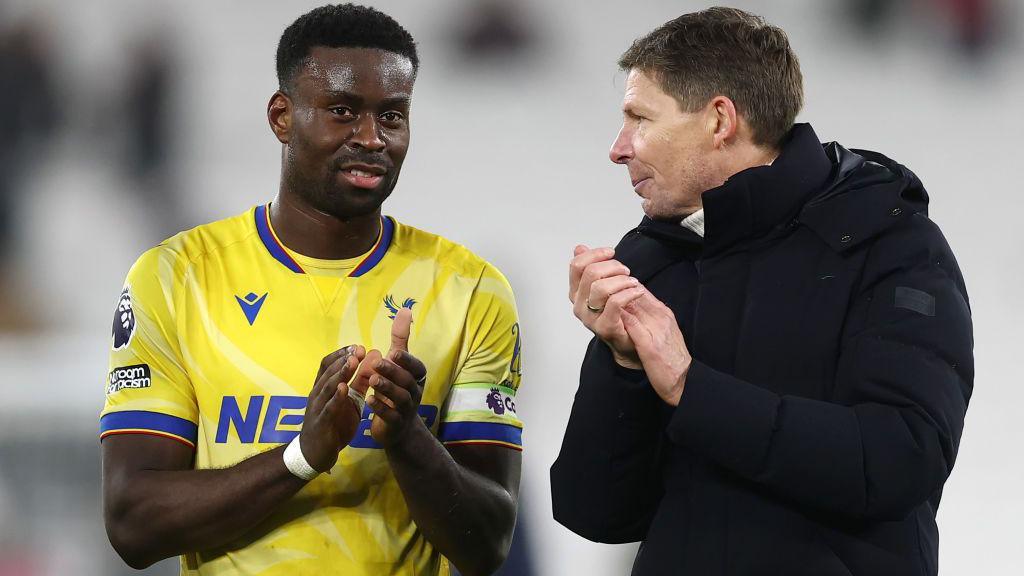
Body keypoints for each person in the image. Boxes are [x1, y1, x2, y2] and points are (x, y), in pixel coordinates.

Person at [100, 5, 523, 576]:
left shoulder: (471, 289)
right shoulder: (175, 278)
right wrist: (303, 456)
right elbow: (132, 524)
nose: (372, 138)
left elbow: (488, 543)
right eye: (344, 112)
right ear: (282, 116)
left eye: (392, 116)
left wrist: (406, 436)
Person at [550, 8, 972, 576]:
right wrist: (624, 368)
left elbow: (900, 458)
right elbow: (592, 512)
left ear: (719, 119)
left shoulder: (892, 246)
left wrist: (690, 387)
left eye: (640, 119)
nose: (619, 147)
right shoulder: (651, 258)